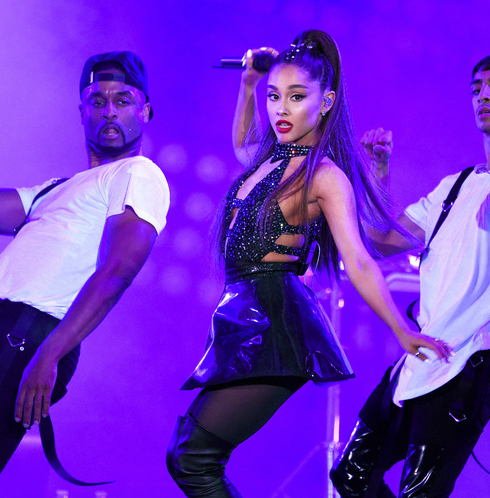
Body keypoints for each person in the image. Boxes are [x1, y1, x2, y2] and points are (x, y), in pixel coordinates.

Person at [165, 30, 451, 497]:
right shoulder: (269, 159)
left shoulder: (325, 175)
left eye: (296, 97)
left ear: (326, 101)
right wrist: (248, 85)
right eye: (275, 97)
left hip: (277, 325)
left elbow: (358, 257)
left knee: (194, 458)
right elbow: (242, 142)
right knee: (185, 454)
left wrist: (400, 329)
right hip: (245, 318)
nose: (281, 109)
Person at [330, 53, 490, 498]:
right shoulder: (455, 184)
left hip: (473, 360)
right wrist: (378, 172)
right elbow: (382, 241)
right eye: (477, 87)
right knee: (350, 475)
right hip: (421, 354)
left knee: (421, 491)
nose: (484, 95)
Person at [0, 51, 170, 496]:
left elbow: (117, 272)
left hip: (28, 338)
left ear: (145, 110)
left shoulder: (139, 173)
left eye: (123, 99)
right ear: (81, 112)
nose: (109, 110)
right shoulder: (58, 188)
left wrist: (49, 355)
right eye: (97, 100)